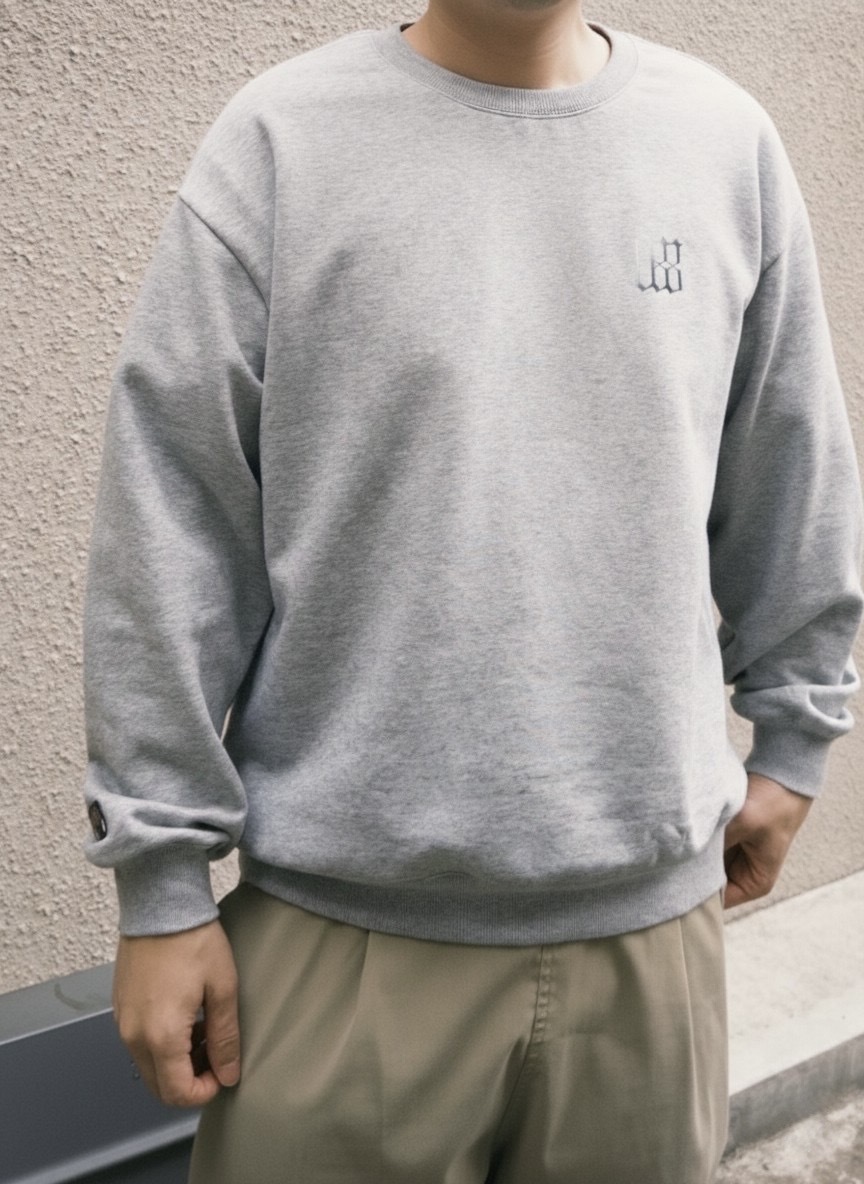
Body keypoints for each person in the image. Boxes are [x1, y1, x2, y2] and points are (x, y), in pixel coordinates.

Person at [81, 1, 864, 1181]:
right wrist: (161, 882)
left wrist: (796, 743)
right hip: (339, 944)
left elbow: (792, 475)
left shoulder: (725, 145)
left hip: (650, 948)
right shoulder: (283, 143)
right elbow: (172, 519)